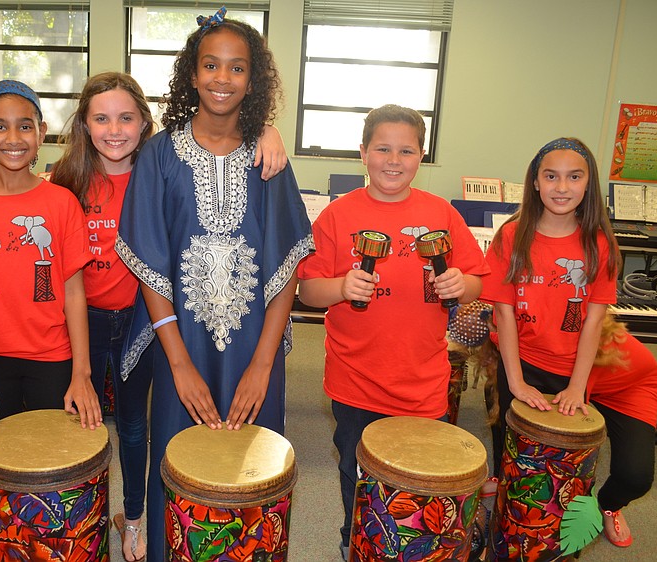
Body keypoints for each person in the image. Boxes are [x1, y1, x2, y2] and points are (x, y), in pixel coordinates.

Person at [49, 71, 289, 562]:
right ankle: (75, 533)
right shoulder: (66, 181)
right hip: (82, 321)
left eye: (126, 118)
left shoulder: (157, 161)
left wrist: (266, 126)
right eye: (100, 118)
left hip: (140, 317)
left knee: (137, 427)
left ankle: (134, 520)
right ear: (85, 124)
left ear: (144, 123)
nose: (114, 129)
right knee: (79, 425)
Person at [114, 13, 312, 561]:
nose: (222, 77)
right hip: (182, 345)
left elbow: (287, 267)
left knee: (255, 465)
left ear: (254, 80)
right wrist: (176, 363)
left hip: (256, 348)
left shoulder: (269, 160)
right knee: (177, 460)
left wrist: (263, 366)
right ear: (192, 74)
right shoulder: (158, 156)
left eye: (237, 67)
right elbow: (151, 267)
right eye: (210, 64)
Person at [297, 104, 489, 560]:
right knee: (355, 469)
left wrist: (463, 284)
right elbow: (307, 290)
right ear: (362, 153)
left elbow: (478, 279)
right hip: (355, 379)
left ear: (421, 156)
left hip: (422, 379)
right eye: (382, 148)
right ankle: (353, 540)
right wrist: (342, 286)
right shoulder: (338, 216)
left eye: (406, 150)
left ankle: (407, 547)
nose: (393, 159)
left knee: (419, 477)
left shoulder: (441, 213)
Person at [481, 137, 657, 548]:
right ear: (536, 183)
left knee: (625, 474)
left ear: (588, 184)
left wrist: (578, 387)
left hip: (602, 372)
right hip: (527, 361)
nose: (562, 186)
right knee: (516, 449)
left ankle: (608, 506)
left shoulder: (599, 244)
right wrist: (516, 383)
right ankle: (503, 510)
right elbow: (503, 313)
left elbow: (594, 322)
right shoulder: (512, 236)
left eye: (574, 176)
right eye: (551, 176)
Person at [0, 80, 101, 443]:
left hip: (53, 358)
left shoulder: (61, 204)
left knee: (54, 457)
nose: (13, 137)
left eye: (25, 126)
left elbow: (75, 295)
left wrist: (81, 374)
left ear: (41, 132)